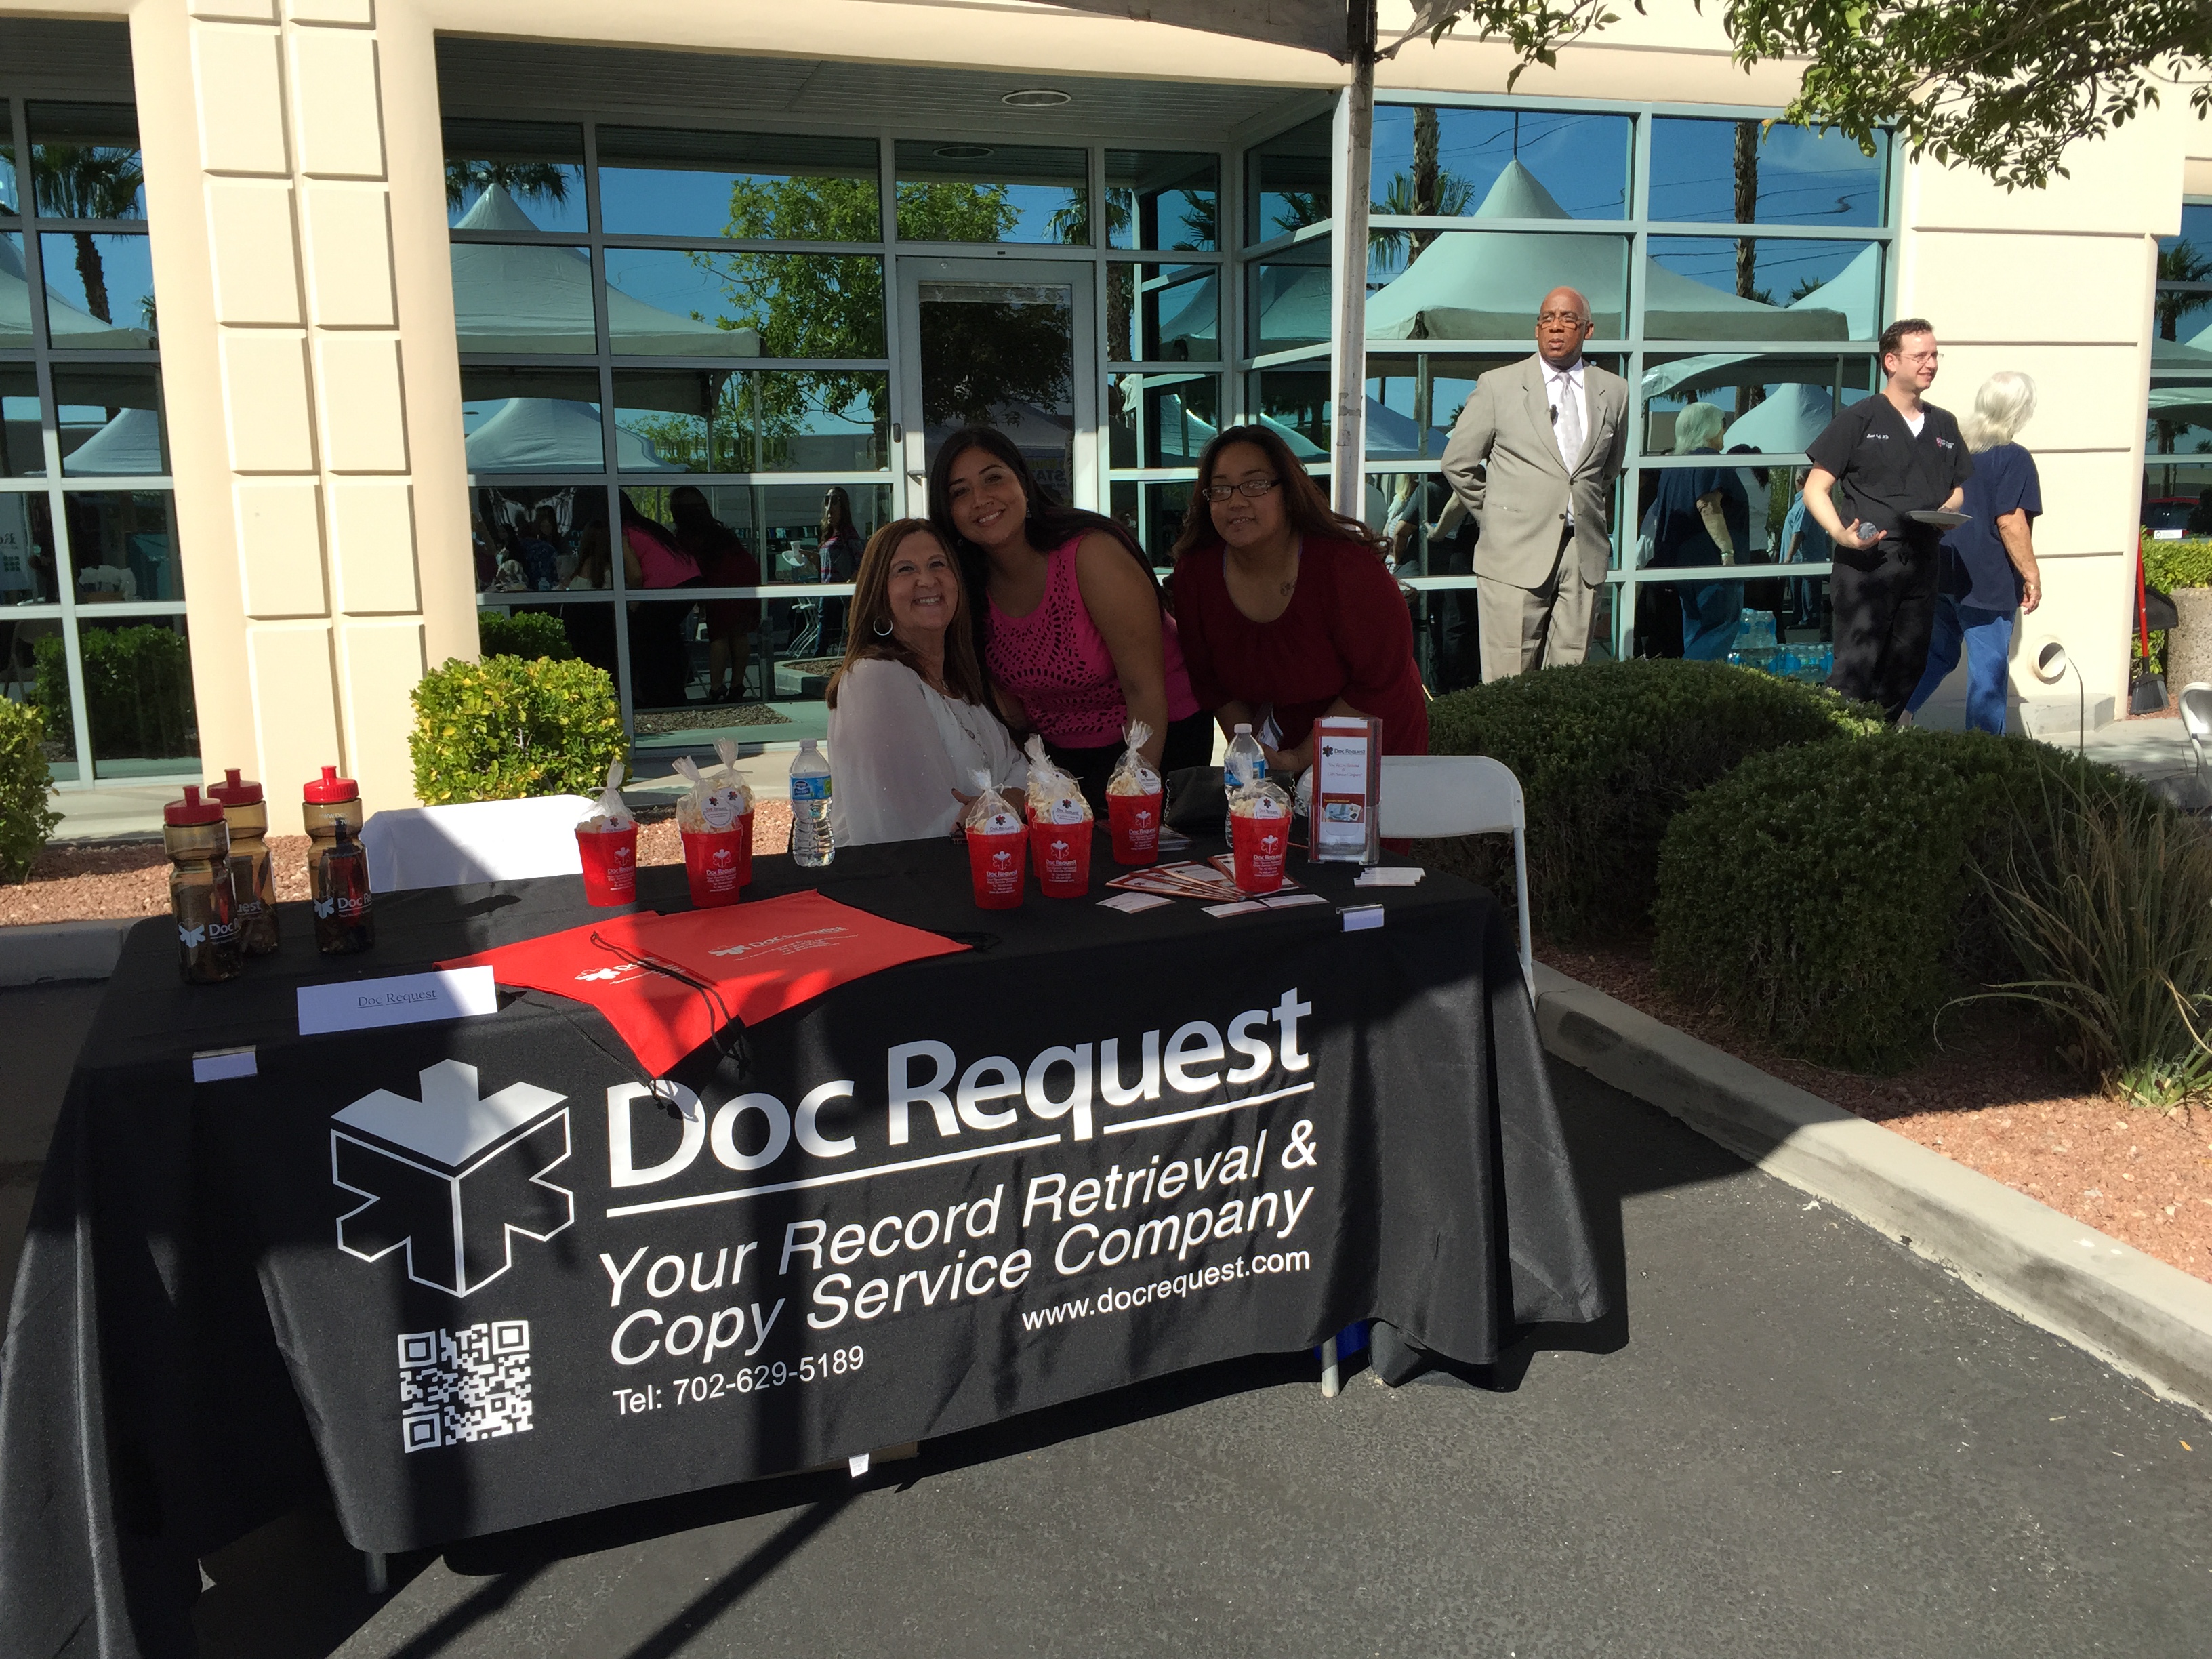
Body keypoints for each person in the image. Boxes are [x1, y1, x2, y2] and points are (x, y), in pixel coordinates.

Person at [929, 426, 1211, 803]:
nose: (980, 499)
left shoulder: (1091, 554)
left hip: (1157, 736)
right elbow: (1010, 712)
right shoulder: (967, 586)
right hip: (1059, 757)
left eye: (993, 478)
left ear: (1023, 483)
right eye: (960, 492)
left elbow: (1145, 691)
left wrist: (1133, 801)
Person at [1170, 425, 1429, 771]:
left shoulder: (1347, 569)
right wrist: (1256, 756)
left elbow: (1379, 682)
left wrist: (1298, 759)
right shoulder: (1195, 576)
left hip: (1369, 746)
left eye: (1255, 484)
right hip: (1277, 751)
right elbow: (1211, 685)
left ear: (1288, 492)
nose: (1236, 500)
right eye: (1220, 489)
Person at [1439, 284, 1630, 678]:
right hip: (1513, 551)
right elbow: (1458, 463)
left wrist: (1578, 506)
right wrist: (1499, 514)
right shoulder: (1498, 385)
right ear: (1537, 328)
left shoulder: (1614, 390)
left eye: (1568, 319)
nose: (1556, 327)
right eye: (1547, 319)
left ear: (1588, 330)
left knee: (1569, 681)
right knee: (1509, 679)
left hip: (1583, 552)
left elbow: (1607, 469)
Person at [1801, 319, 1973, 720]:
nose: (1931, 364)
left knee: (1908, 665)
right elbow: (1815, 489)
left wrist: (1948, 511)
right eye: (1921, 356)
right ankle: (1840, 741)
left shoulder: (1944, 424)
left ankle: (1882, 738)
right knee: (1855, 670)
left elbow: (1957, 489)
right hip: (1868, 561)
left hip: (1923, 559)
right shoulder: (1859, 419)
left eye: (1935, 355)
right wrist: (1840, 534)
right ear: (1891, 362)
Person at [825, 518, 1025, 847]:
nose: (928, 580)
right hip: (914, 876)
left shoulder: (958, 682)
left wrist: (1001, 803)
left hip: (985, 867)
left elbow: (1024, 770)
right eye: (905, 569)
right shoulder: (875, 679)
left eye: (937, 564)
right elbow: (920, 828)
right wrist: (1008, 803)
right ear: (879, 595)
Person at [1904, 372, 2044, 734]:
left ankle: (1896, 715)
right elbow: (2010, 523)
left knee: (1938, 654)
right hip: (1987, 581)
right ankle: (1982, 752)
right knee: (1988, 672)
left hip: (1942, 569)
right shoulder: (2014, 458)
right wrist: (2031, 575)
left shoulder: (1953, 450)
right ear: (2020, 411)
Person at [1645, 403, 1750, 661]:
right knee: (1718, 630)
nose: (1725, 430)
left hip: (1683, 566)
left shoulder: (1674, 466)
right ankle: (1691, 678)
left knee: (1695, 631)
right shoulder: (1710, 461)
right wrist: (1727, 552)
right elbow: (1708, 505)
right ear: (1710, 427)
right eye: (1723, 424)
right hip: (1713, 566)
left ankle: (1691, 680)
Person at [672, 486, 761, 703]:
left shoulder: (687, 537)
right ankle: (737, 684)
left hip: (719, 583)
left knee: (719, 635)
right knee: (739, 632)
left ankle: (716, 687)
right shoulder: (719, 532)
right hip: (746, 576)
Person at [619, 491, 702, 709]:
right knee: (665, 634)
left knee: (642, 635)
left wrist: (635, 599)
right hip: (690, 579)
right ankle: (674, 691)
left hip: (664, 587)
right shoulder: (646, 527)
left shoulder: (622, 533)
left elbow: (635, 575)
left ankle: (654, 694)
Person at [817, 487, 865, 652]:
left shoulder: (848, 534)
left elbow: (862, 560)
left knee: (827, 627)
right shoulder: (829, 534)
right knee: (824, 626)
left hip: (838, 591)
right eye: (827, 501)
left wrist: (850, 583)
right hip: (826, 588)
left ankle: (820, 656)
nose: (830, 509)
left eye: (835, 501)